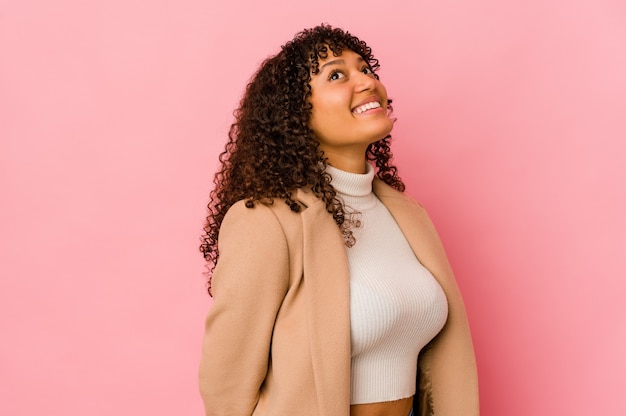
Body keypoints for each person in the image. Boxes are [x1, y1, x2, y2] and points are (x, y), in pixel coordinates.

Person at [198, 24, 479, 416]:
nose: (366, 82)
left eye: (366, 69)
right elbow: (226, 385)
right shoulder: (266, 219)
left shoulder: (407, 215)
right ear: (296, 115)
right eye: (336, 74)